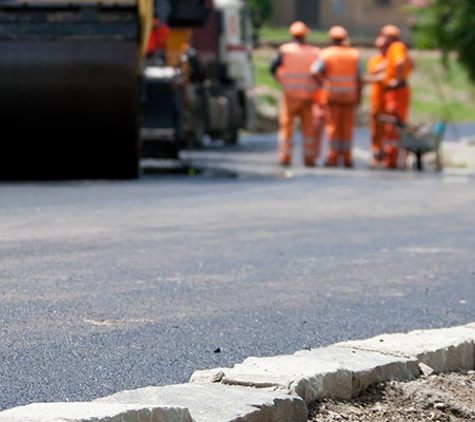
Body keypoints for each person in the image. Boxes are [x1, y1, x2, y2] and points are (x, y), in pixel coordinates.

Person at [270, 21, 321, 167]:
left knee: (286, 125)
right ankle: (309, 159)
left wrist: (281, 81)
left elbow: (273, 68)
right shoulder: (314, 51)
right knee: (308, 128)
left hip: (290, 95)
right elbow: (319, 73)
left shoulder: (285, 50)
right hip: (308, 96)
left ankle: (285, 157)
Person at [310, 26, 362, 168]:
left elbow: (314, 71)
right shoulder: (354, 54)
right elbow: (359, 77)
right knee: (347, 128)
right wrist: (359, 96)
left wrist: (322, 83)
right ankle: (346, 158)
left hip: (332, 96)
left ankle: (332, 157)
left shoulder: (326, 54)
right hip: (349, 96)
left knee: (333, 127)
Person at [379, 24, 412, 169]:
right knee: (394, 122)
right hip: (397, 90)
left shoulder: (396, 47)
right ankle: (392, 157)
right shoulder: (395, 49)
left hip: (397, 91)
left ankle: (392, 158)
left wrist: (397, 80)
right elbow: (411, 64)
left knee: (395, 123)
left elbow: (400, 62)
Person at [364, 34, 388, 168]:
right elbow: (373, 73)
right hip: (376, 99)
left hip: (389, 100)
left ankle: (388, 155)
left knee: (388, 129)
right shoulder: (375, 60)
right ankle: (376, 154)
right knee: (375, 129)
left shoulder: (393, 59)